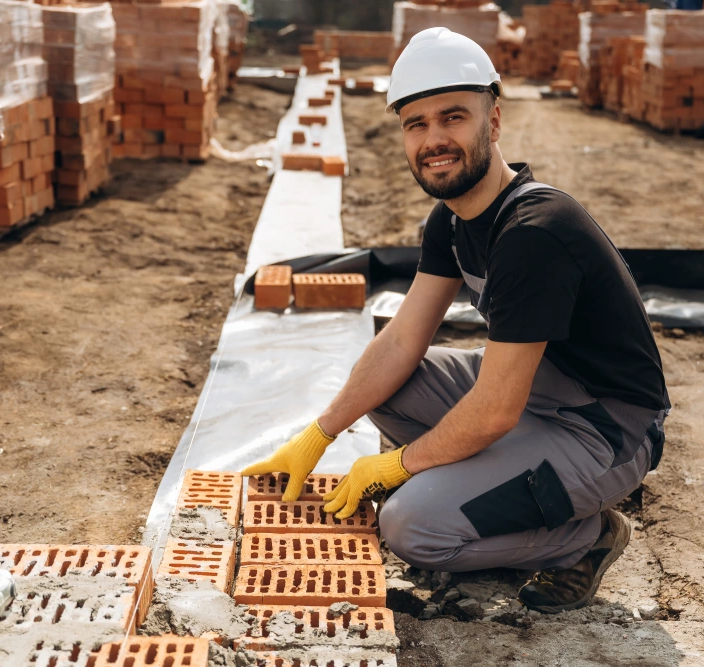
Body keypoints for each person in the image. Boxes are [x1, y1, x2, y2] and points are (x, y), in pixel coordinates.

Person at [242, 27, 670, 613]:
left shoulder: (535, 234)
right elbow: (401, 340)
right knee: (387, 387)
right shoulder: (449, 220)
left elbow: (494, 410)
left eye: (453, 118)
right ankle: (491, 485)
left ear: (492, 122)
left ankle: (586, 537)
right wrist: (320, 432)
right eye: (416, 124)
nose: (434, 140)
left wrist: (399, 464)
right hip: (535, 394)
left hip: (604, 430)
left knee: (411, 526)